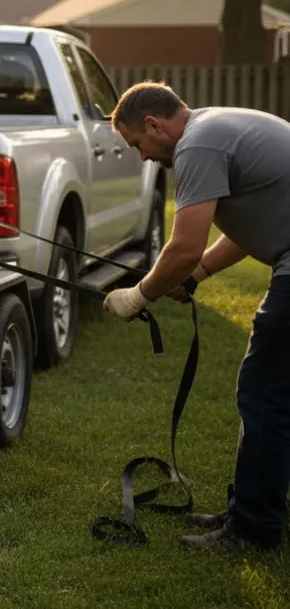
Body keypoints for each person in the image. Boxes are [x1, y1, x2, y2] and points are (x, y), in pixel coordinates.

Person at [102, 81, 290, 551]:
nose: (143, 157)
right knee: (273, 393)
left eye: (138, 145)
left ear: (153, 125)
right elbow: (252, 223)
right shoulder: (218, 125)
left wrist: (138, 296)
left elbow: (183, 245)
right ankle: (253, 509)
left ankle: (253, 530)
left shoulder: (197, 144)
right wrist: (199, 274)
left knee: (264, 394)